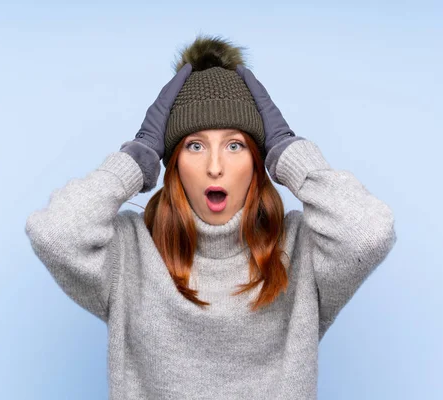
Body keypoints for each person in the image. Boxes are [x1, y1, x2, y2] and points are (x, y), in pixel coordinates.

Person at [25, 35, 397, 399]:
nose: (215, 166)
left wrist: (287, 149)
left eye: (235, 145)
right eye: (195, 146)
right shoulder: (129, 253)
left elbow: (369, 234)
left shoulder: (302, 250)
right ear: (173, 162)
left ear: (257, 160)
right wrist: (137, 156)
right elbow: (56, 233)